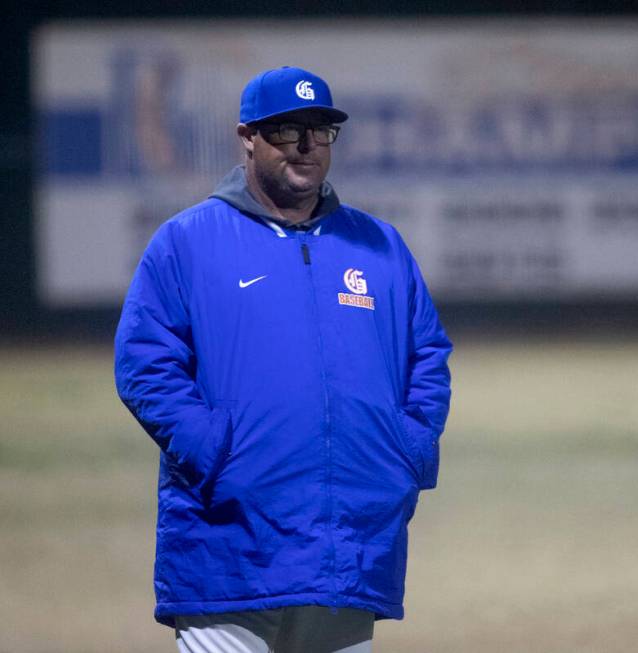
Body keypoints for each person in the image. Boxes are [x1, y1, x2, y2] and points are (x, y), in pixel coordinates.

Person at [114, 66, 453, 653]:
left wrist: (406, 451)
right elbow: (146, 363)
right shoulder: (187, 242)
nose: (305, 146)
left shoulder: (379, 246)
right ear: (247, 137)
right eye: (287, 130)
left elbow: (427, 357)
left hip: (350, 547)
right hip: (228, 547)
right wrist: (215, 453)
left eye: (320, 131)